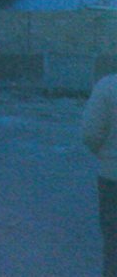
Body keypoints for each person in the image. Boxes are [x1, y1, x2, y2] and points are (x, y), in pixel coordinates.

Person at [82, 74, 117, 277]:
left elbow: (90, 133)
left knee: (114, 241)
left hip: (113, 178)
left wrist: (108, 156)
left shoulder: (107, 86)